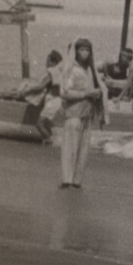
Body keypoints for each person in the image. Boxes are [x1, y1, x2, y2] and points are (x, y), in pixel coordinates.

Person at [56, 38, 105, 188]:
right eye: (82, 50)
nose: (85, 53)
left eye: (87, 50)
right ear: (76, 52)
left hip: (87, 114)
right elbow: (64, 92)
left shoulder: (89, 70)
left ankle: (77, 181)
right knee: (70, 148)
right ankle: (67, 180)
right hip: (74, 114)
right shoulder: (72, 70)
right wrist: (86, 94)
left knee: (83, 150)